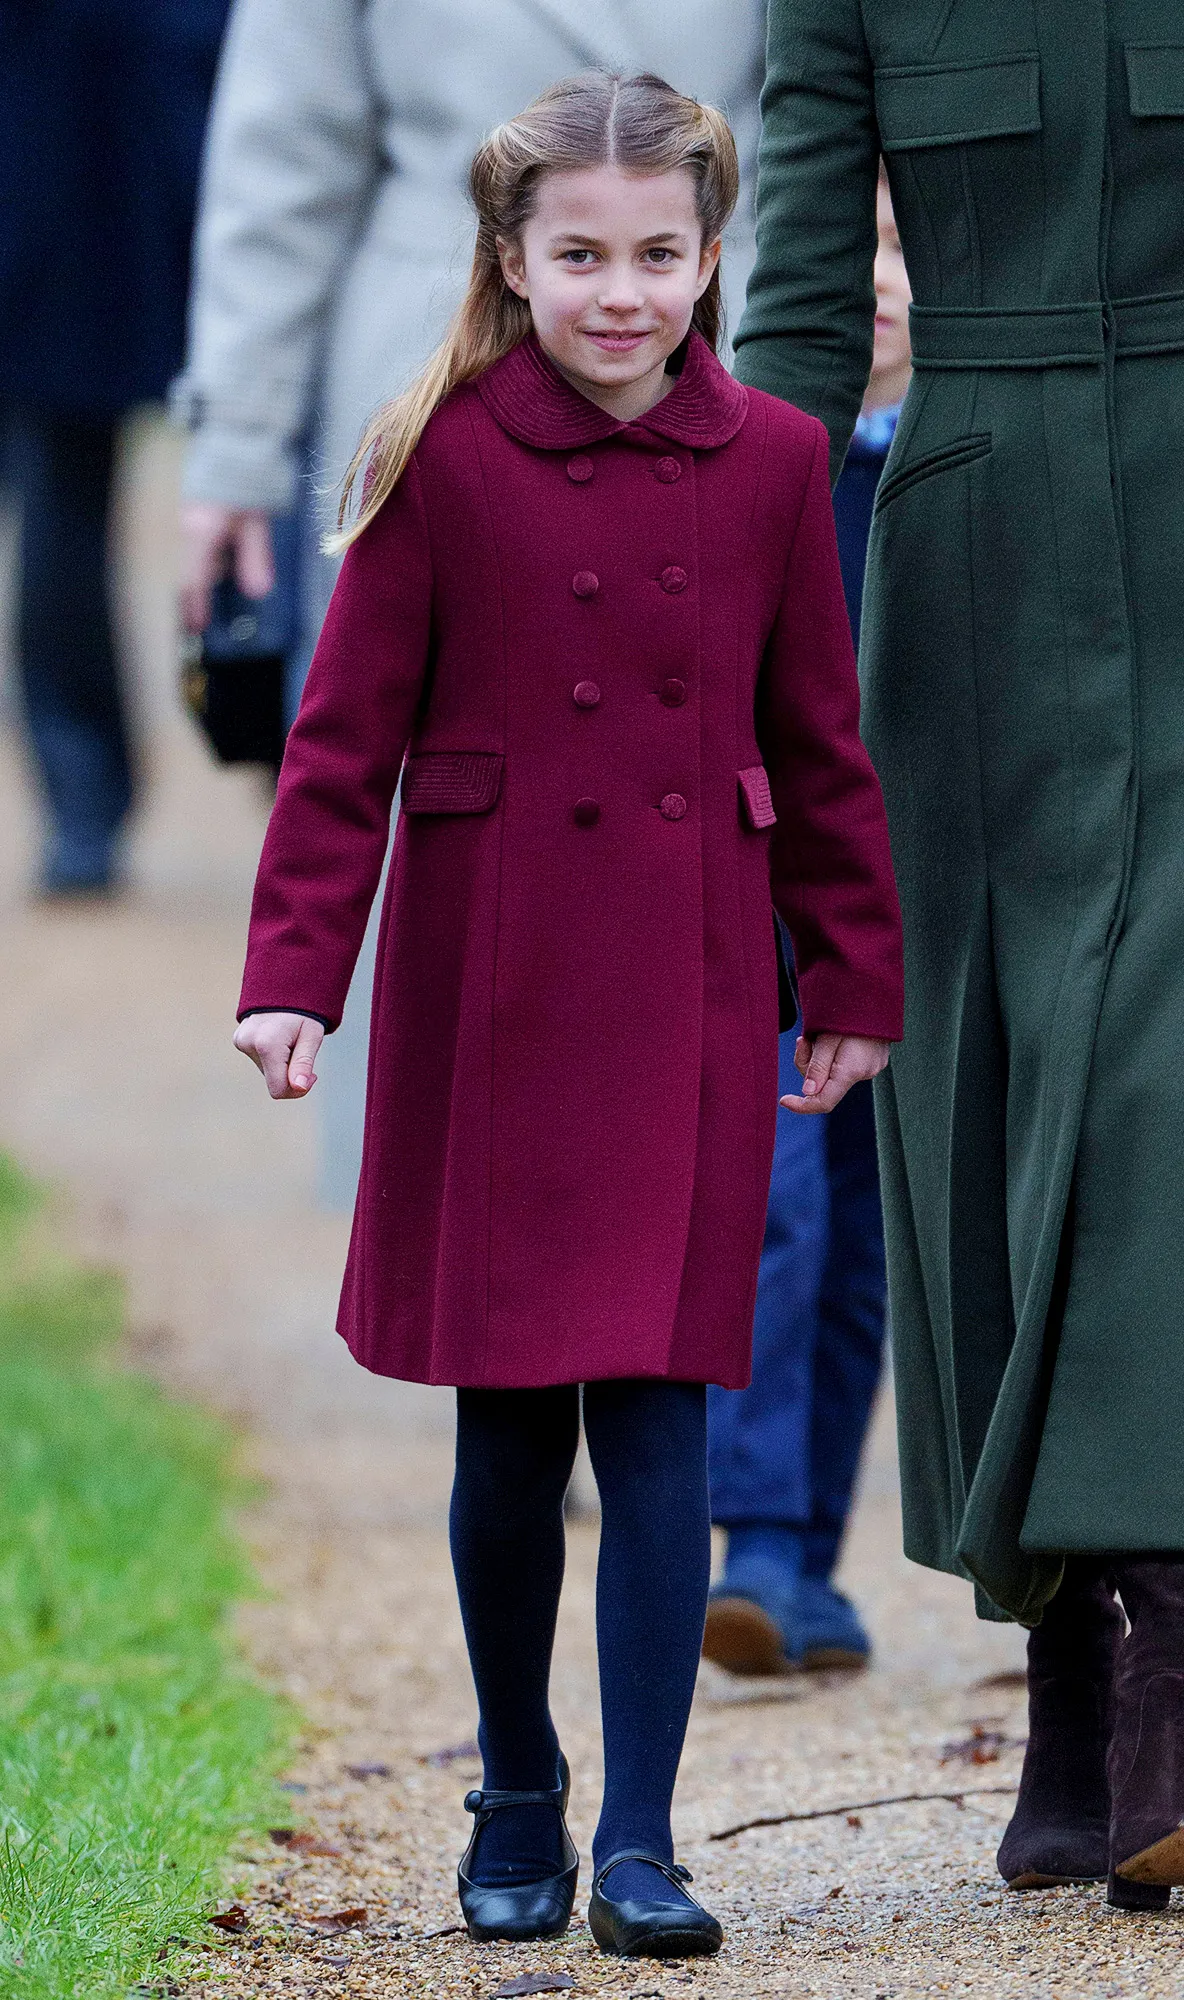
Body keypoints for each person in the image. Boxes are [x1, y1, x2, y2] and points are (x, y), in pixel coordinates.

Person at [231, 73, 903, 1958]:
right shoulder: (436, 455)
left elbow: (819, 748)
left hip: (690, 982)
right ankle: (517, 1783)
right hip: (494, 989)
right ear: (512, 262)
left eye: (659, 255)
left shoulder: (775, 461)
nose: (623, 293)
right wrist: (293, 979)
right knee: (515, 1431)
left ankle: (642, 1838)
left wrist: (851, 974)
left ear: (712, 256)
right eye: (583, 256)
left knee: (665, 1412)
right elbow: (339, 749)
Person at [733, 0, 1184, 1911]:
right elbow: (796, 317)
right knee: (977, 1101)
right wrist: (708, 619)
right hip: (968, 564)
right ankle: (1067, 1653)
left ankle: (1158, 1632)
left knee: (1156, 1076)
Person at [174, 0, 768, 1203]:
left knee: (715, 776)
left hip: (719, 334)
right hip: (436, 342)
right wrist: (236, 437)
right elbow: (286, 144)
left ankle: (705, 1212)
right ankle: (424, 1212)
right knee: (429, 787)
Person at [704, 168, 910, 1675]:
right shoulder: (765, 460)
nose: (883, 281)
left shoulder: (960, 467)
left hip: (925, 904)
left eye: (912, 247)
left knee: (869, 1235)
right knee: (773, 1204)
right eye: (858, 246)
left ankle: (811, 1558)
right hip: (773, 903)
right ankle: (757, 1541)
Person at [0, 0, 229, 895]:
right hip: (67, 190)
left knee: (68, 497)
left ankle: (90, 792)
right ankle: (84, 792)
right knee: (63, 502)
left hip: (126, 191)